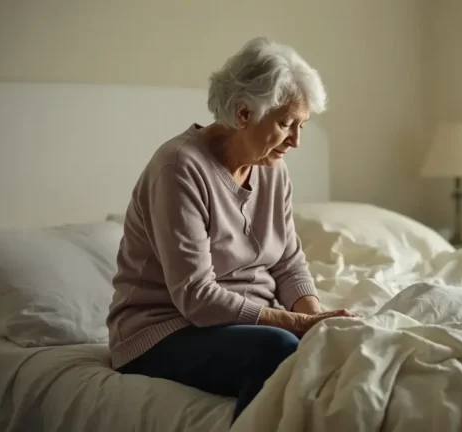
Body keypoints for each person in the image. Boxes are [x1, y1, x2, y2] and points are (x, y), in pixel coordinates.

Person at [107, 37, 356, 423]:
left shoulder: (273, 168)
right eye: (287, 124)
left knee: (330, 349)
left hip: (240, 325)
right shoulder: (178, 168)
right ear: (244, 114)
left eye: (302, 125)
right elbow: (196, 296)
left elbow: (288, 264)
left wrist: (316, 322)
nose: (296, 141)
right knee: (276, 348)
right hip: (162, 331)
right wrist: (295, 324)